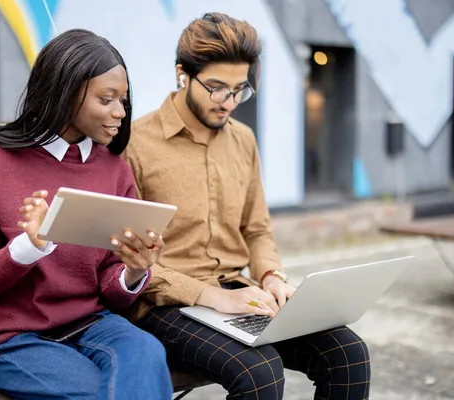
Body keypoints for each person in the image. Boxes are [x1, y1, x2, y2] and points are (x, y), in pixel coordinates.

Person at [122, 13, 371, 400]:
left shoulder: (243, 140)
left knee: (349, 354)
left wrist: (271, 275)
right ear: (182, 75)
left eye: (241, 90)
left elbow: (256, 229)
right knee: (260, 372)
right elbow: (127, 262)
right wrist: (212, 297)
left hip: (238, 293)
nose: (230, 103)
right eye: (218, 88)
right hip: (164, 304)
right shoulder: (135, 144)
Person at [0, 29, 173, 400]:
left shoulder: (114, 169)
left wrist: (133, 272)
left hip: (92, 324)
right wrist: (28, 247)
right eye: (106, 99)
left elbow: (109, 284)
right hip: (13, 336)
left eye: (123, 99)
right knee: (98, 392)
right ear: (64, 92)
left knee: (148, 353)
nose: (120, 112)